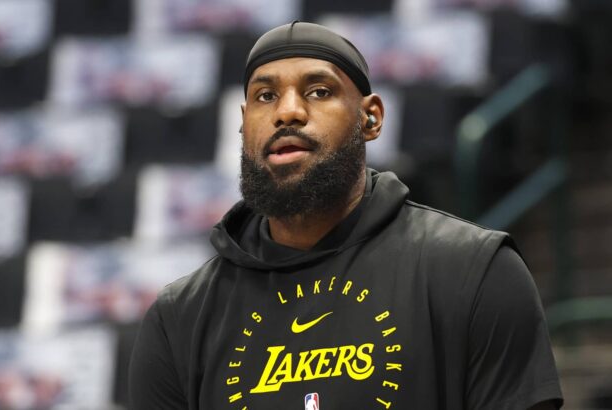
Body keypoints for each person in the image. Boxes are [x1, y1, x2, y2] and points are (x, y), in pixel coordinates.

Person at [129, 21, 564, 409]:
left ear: (370, 118)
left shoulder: (475, 270)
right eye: (265, 96)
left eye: (319, 91)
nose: (287, 111)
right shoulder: (178, 319)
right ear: (244, 124)